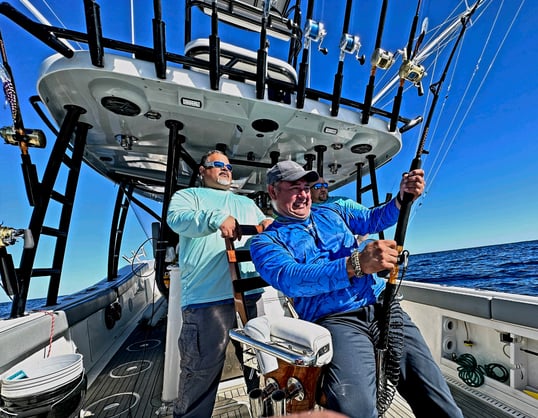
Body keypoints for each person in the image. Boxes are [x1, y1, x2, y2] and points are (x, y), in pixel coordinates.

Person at [250, 160, 463, 418]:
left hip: (383, 306)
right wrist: (356, 264)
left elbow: (374, 219)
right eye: (295, 188)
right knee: (356, 410)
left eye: (307, 187)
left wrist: (402, 198)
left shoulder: (334, 211)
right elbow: (289, 277)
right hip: (336, 321)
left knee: (434, 393)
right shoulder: (264, 242)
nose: (304, 195)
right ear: (273, 192)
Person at [167, 150, 273, 418]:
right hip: (205, 300)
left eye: (228, 166)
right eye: (217, 165)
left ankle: (262, 411)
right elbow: (176, 219)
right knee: (200, 373)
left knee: (259, 365)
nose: (225, 169)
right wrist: (216, 218)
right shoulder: (187, 197)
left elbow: (265, 225)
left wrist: (270, 223)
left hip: (251, 295)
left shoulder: (246, 203)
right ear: (202, 171)